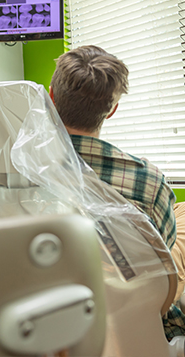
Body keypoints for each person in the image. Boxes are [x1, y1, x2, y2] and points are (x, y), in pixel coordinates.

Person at [49, 45, 185, 340]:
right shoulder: (149, 181)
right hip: (135, 315)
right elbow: (159, 261)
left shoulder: (22, 170)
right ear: (111, 110)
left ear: (51, 97)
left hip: (46, 313)